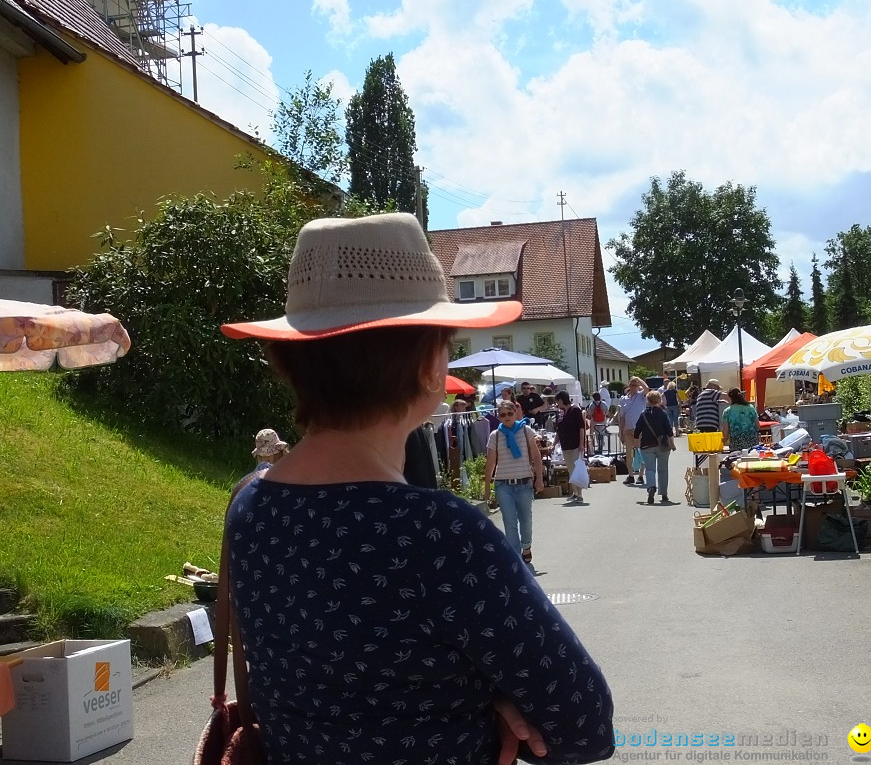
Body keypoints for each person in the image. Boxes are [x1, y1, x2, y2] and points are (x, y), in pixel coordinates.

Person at [220, 213, 614, 764]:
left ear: (288, 359)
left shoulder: (250, 508)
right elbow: (584, 727)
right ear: (432, 365)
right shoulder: (440, 533)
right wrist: (495, 701)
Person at [485, 401, 545, 562]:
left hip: (524, 483)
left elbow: (536, 456)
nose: (507, 417)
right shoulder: (495, 435)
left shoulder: (526, 431)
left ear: (515, 413)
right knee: (509, 520)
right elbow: (490, 462)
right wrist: (486, 487)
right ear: (498, 417)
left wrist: (539, 479)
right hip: (503, 484)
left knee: (526, 519)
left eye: (509, 413)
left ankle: (526, 546)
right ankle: (516, 556)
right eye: (502, 415)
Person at [634, 390, 675, 505]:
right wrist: (672, 443)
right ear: (659, 400)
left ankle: (651, 487)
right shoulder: (663, 413)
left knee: (650, 469)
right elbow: (669, 431)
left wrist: (636, 443)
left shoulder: (643, 414)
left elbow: (637, 431)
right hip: (663, 445)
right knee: (663, 469)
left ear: (647, 400)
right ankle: (664, 493)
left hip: (647, 445)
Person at [554, 390, 587, 503]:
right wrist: (554, 444)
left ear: (561, 400)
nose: (557, 404)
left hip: (575, 444)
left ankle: (580, 494)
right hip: (565, 446)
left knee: (576, 469)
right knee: (570, 470)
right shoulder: (562, 413)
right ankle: (575, 492)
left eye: (557, 401)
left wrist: (581, 444)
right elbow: (559, 430)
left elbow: (581, 428)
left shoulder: (575, 410)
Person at [617, 377, 648, 485]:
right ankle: (630, 475)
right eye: (632, 385)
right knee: (629, 453)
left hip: (639, 429)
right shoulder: (623, 399)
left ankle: (640, 475)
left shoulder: (641, 396)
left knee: (640, 452)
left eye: (636, 385)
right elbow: (622, 417)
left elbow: (647, 389)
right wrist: (620, 432)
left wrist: (639, 380)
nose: (634, 387)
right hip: (628, 429)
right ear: (629, 386)